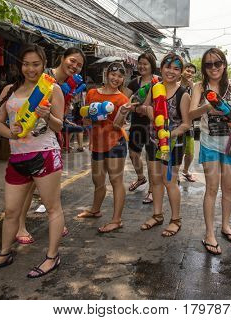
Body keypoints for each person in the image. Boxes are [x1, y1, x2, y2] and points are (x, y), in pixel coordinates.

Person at [0, 45, 65, 278]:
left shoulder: (52, 89)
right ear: (20, 65)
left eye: (36, 64)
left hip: (45, 153)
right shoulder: (9, 90)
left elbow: (60, 126)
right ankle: (5, 253)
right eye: (26, 63)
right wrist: (12, 133)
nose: (30, 68)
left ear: (43, 64)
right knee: (11, 211)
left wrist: (48, 116)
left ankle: (51, 257)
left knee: (52, 208)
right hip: (17, 156)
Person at [15, 47, 86, 244]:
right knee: (28, 186)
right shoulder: (44, 75)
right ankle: (19, 225)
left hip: (50, 137)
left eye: (79, 65)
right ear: (62, 58)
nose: (75, 66)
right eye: (72, 61)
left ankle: (56, 220)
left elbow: (59, 116)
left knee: (51, 185)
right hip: (29, 137)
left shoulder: (67, 85)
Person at [189, 48, 231, 255]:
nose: (213, 68)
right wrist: (207, 107)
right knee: (211, 189)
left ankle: (225, 226)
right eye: (208, 64)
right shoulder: (200, 87)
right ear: (204, 68)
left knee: (228, 189)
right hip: (209, 143)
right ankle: (209, 233)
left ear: (224, 64)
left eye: (217, 63)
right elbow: (190, 114)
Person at [136, 53, 191, 237]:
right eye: (168, 67)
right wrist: (148, 110)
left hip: (173, 144)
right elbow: (143, 108)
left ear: (181, 72)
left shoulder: (183, 94)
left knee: (170, 181)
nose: (171, 71)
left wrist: (169, 134)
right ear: (162, 68)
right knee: (155, 179)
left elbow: (186, 124)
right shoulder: (155, 88)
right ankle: (157, 215)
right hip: (153, 141)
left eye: (176, 68)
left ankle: (176, 220)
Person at [76, 62, 133, 233]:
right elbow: (86, 119)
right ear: (106, 74)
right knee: (97, 181)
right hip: (97, 144)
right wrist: (89, 117)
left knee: (116, 181)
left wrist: (121, 115)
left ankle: (116, 220)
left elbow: (119, 125)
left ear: (123, 79)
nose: (116, 79)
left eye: (120, 76)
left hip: (116, 142)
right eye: (113, 74)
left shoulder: (122, 99)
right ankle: (95, 210)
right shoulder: (92, 93)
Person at [124, 53, 158, 204]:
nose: (142, 66)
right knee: (133, 155)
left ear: (152, 66)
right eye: (140, 63)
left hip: (153, 126)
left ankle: (151, 191)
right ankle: (140, 178)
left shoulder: (158, 82)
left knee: (151, 160)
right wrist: (136, 109)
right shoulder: (133, 83)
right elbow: (124, 103)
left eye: (146, 64)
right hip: (137, 125)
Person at [180, 63, 198, 182]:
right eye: (187, 70)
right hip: (174, 123)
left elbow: (195, 105)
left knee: (190, 151)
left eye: (192, 72)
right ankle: (173, 171)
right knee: (175, 149)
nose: (189, 73)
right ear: (182, 71)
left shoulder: (194, 87)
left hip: (189, 124)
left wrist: (192, 87)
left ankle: (185, 171)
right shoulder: (175, 85)